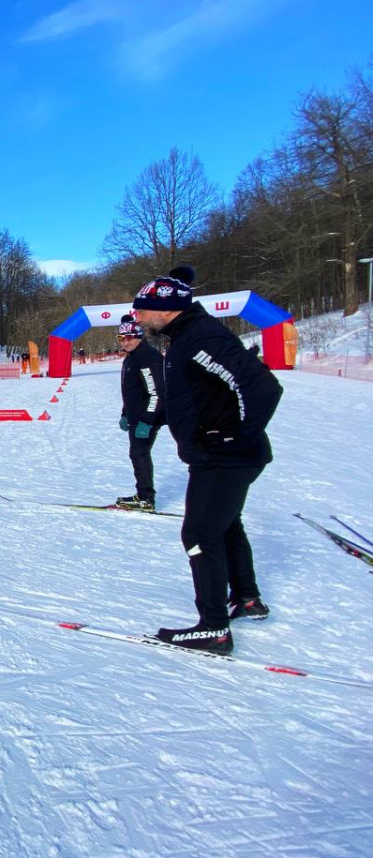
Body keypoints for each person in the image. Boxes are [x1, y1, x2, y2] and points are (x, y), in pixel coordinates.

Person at [131, 266, 283, 654]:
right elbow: (191, 396)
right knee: (225, 524)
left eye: (143, 310)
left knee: (199, 534)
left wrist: (235, 436)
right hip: (220, 454)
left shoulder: (200, 336)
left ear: (165, 311)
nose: (138, 318)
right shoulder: (182, 337)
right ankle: (246, 597)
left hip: (225, 456)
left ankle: (213, 627)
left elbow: (262, 386)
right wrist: (157, 420)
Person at [115, 315, 165, 511]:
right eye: (122, 338)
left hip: (147, 417)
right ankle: (144, 495)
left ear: (139, 337)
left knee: (139, 453)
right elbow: (131, 391)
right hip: (136, 416)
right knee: (137, 454)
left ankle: (146, 498)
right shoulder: (132, 358)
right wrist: (125, 413)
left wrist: (147, 420)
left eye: (129, 338)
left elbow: (156, 393)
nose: (125, 342)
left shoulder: (147, 357)